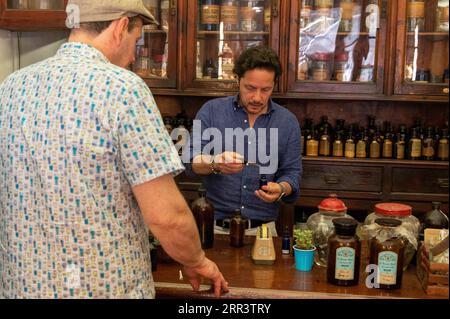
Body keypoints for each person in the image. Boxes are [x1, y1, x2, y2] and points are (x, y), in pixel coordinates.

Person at [0, 0, 228, 299]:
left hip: (22, 287)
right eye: (136, 41)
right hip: (101, 289)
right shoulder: (123, 89)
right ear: (121, 27)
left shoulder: (11, 87)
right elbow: (166, 216)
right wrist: (197, 261)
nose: (133, 55)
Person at [188, 46, 302, 236]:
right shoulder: (211, 111)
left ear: (274, 85)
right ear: (238, 80)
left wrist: (281, 188)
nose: (257, 97)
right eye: (250, 88)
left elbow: (292, 173)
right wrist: (215, 163)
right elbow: (190, 161)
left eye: (266, 90)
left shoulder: (287, 121)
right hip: (213, 229)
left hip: (264, 231)